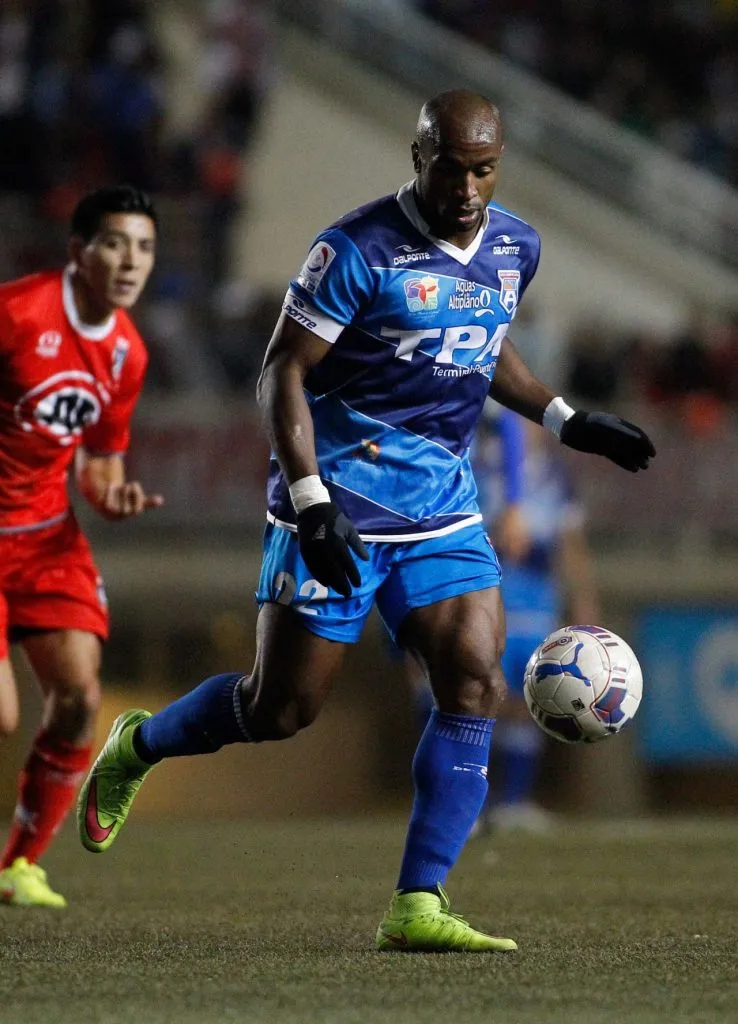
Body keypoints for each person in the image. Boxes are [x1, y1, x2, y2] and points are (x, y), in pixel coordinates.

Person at [78, 91, 655, 951]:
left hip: (443, 510)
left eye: (485, 169)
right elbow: (282, 374)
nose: (468, 186)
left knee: (472, 675)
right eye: (452, 166)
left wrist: (568, 419)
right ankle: (139, 745)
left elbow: (482, 340)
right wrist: (309, 501)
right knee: (282, 710)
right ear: (419, 156)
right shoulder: (356, 249)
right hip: (336, 505)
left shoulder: (514, 246)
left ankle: (419, 901)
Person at [0, 185, 162, 908]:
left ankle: (17, 866)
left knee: (79, 699)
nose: (131, 261)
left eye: (145, 247)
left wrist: (112, 494)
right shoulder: (15, 314)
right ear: (78, 253)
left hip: (44, 537)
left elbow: (100, 461)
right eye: (115, 243)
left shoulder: (127, 353)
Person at [474, 407, 601, 833]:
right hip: (494, 594)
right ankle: (471, 803)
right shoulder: (481, 464)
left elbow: (570, 540)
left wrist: (582, 599)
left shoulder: (554, 474)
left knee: (533, 698)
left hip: (539, 598)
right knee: (482, 696)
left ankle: (513, 802)